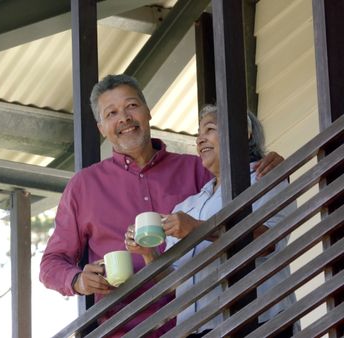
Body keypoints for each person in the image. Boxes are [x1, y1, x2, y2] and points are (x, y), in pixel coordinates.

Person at [39, 74, 283, 337]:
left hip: (202, 323)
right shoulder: (83, 186)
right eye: (111, 113)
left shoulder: (197, 169)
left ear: (148, 111)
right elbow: (51, 263)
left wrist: (265, 158)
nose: (124, 118)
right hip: (124, 330)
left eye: (131, 106)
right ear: (102, 128)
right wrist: (77, 281)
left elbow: (244, 191)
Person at [126, 104, 296, 337]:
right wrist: (148, 253)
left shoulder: (264, 177)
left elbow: (267, 241)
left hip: (258, 321)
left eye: (209, 129)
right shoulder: (188, 206)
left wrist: (197, 229)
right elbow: (173, 282)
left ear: (242, 132)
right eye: (198, 133)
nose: (199, 139)